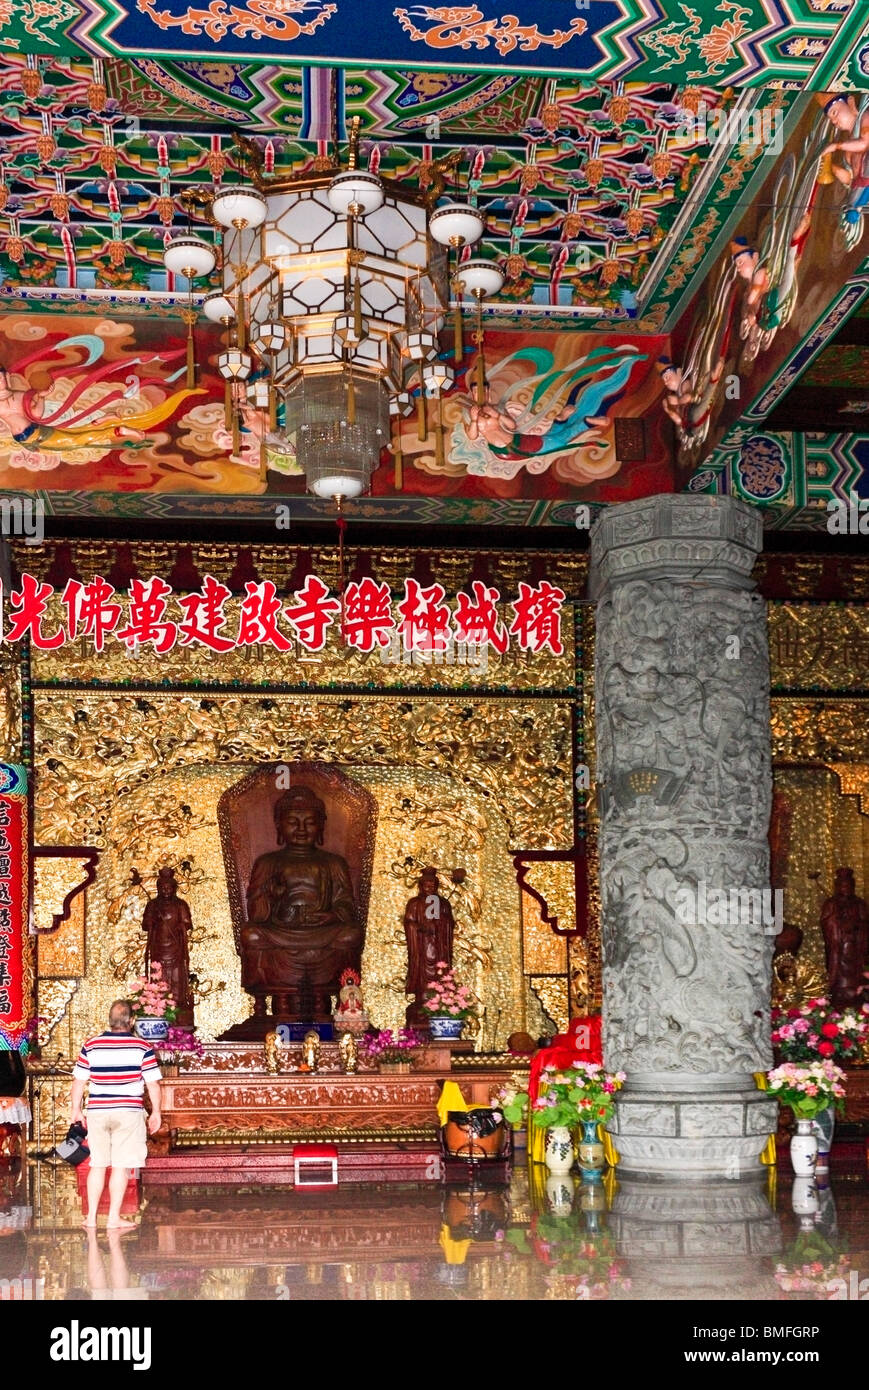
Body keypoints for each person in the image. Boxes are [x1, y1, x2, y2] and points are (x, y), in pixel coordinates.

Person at [70, 999, 162, 1232]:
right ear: (132, 1021)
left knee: (97, 1165)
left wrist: (76, 1110)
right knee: (120, 1167)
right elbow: (153, 1085)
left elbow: (79, 1081)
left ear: (110, 1020)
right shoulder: (142, 1047)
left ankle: (91, 1218)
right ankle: (113, 1218)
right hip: (128, 1112)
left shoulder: (91, 1045)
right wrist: (156, 1113)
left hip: (98, 1111)